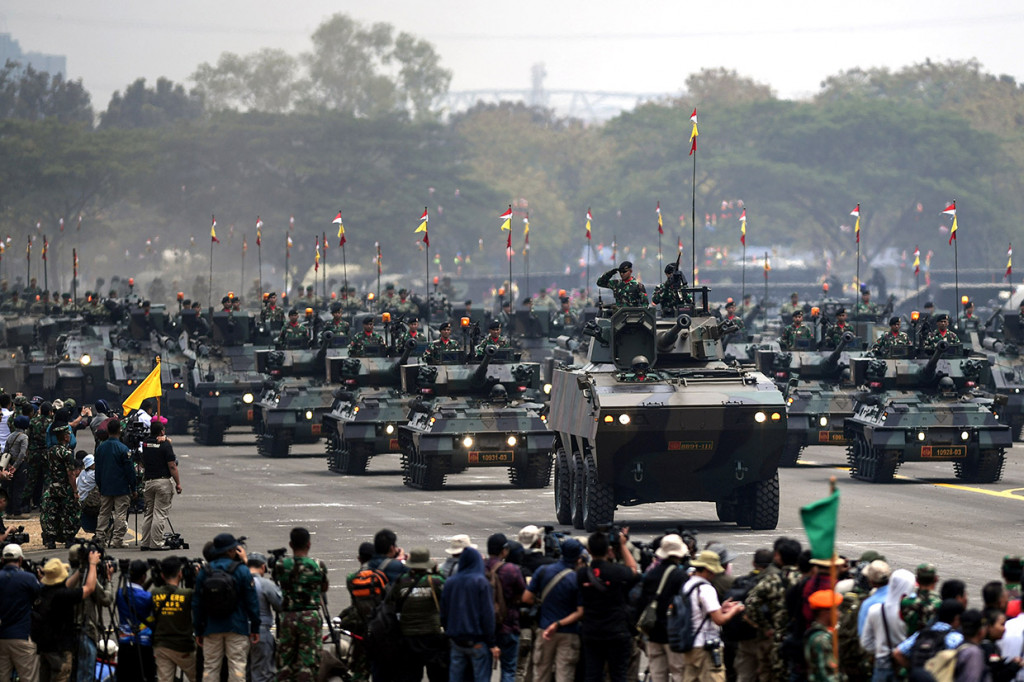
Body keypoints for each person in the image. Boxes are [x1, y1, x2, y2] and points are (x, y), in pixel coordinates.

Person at [192, 532, 261, 680]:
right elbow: (252, 601)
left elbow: (197, 603)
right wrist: (255, 627)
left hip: (211, 627)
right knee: (237, 667)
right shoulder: (241, 570)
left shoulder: (205, 571)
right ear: (231, 551)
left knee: (210, 667)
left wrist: (198, 629)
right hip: (237, 626)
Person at [34, 551, 101, 682]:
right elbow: (89, 588)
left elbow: (65, 586)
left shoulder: (43, 592)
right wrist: (92, 565)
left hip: (45, 648)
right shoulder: (62, 596)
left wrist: (81, 570)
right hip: (60, 650)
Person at [679, 550, 745, 682]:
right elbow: (719, 620)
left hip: (690, 642)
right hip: (706, 646)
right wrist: (734, 610)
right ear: (707, 570)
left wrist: (721, 608)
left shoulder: (687, 585)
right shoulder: (706, 589)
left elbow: (699, 612)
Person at [273, 527, 329, 681]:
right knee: (309, 660)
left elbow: (277, 579)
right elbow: (324, 587)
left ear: (291, 544)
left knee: (285, 659)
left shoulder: (281, 564)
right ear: (309, 544)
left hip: (288, 615)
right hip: (310, 615)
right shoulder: (318, 565)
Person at [744, 537, 803, 682]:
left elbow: (751, 603)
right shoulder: (806, 580)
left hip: (779, 640)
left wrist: (765, 627)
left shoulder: (773, 580)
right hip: (804, 639)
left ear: (778, 556)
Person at [386, 547, 448, 682]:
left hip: (408, 637)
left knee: (410, 676)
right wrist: (438, 572)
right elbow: (448, 599)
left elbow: (390, 602)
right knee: (438, 675)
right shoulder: (436, 581)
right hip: (432, 635)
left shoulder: (401, 581)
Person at [440, 546, 500, 681]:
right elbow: (487, 614)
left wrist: (449, 631)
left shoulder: (450, 582)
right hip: (477, 640)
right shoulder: (481, 582)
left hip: (456, 640)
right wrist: (491, 642)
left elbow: (443, 612)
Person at [528, 538, 583, 682]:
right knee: (564, 675)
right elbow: (580, 612)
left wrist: (541, 603)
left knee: (541, 673)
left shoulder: (543, 571)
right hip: (568, 632)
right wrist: (558, 624)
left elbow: (527, 597)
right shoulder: (576, 579)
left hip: (545, 630)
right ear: (578, 557)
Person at [638, 534, 690, 682]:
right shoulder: (681, 576)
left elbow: (642, 603)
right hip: (673, 633)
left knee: (657, 674)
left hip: (654, 633)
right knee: (679, 672)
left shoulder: (651, 574)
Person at [484, 533, 527, 682]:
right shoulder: (512, 570)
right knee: (508, 670)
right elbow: (524, 594)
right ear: (504, 551)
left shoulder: (480, 568)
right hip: (509, 624)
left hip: (484, 627)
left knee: (483, 671)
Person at [860, 568, 915, 682]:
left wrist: (881, 649)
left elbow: (866, 643)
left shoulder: (875, 610)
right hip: (906, 663)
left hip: (882, 663)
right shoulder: (911, 613)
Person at [0, 544, 41, 682]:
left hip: (1, 636)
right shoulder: (27, 578)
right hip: (21, 635)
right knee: (28, 677)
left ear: (2, 560)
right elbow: (40, 596)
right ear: (21, 560)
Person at [139, 420, 182, 551]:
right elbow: (172, 466)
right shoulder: (165, 445)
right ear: (162, 431)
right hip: (163, 481)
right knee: (160, 513)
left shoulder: (145, 444)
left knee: (149, 513)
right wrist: (178, 483)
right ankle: (156, 543)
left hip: (149, 482)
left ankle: (145, 542)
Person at [93, 419, 136, 549]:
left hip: (105, 486)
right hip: (121, 487)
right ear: (119, 430)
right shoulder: (123, 449)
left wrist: (99, 485)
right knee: (120, 513)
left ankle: (100, 538)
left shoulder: (100, 448)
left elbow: (98, 470)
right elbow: (130, 471)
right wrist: (133, 487)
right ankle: (117, 539)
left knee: (104, 513)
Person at [892, 598, 965, 670]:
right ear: (957, 618)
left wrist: (913, 671)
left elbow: (897, 653)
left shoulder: (921, 633)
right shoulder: (957, 639)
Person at [116, 559, 156, 680]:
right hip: (144, 644)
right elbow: (141, 593)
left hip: (124, 643)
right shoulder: (147, 598)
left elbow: (136, 591)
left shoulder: (120, 593)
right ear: (143, 577)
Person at [40, 424, 79, 549]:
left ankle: (51, 540)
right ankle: (68, 539)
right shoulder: (66, 453)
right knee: (68, 512)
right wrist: (75, 490)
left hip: (53, 486)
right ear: (65, 437)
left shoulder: (50, 451)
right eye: (68, 434)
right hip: (65, 487)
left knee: (52, 512)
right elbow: (71, 474)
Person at [247, 552, 281, 682]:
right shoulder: (265, 584)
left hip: (239, 632)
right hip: (261, 631)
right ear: (263, 567)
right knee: (263, 673)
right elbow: (280, 604)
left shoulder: (237, 581)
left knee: (243, 673)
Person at [804, 589, 843, 682]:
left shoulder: (817, 632)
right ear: (825, 613)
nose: (839, 614)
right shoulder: (822, 639)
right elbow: (826, 675)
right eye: (836, 609)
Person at [0, 414, 30, 518]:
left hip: (9, 464)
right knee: (19, 488)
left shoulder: (10, 435)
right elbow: (22, 453)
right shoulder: (24, 437)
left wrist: (8, 465)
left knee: (10, 488)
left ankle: (8, 511)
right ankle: (17, 512)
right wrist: (16, 466)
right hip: (19, 465)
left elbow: (5, 452)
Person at [901, 563, 942, 636]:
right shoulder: (940, 603)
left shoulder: (905, 602)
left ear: (917, 580)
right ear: (936, 579)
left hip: (910, 643)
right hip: (934, 644)